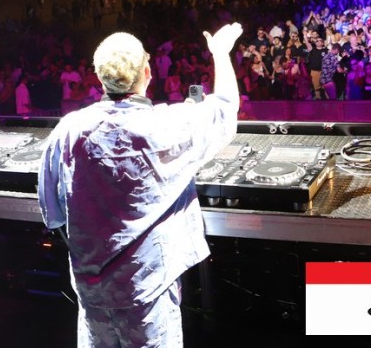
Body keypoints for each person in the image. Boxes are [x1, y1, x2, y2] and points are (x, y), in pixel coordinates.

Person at [38, 22, 242, 348]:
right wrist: (220, 52)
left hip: (92, 292)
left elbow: (54, 212)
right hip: (147, 294)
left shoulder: (67, 130)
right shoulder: (167, 124)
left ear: (100, 77)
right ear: (147, 72)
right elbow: (225, 109)